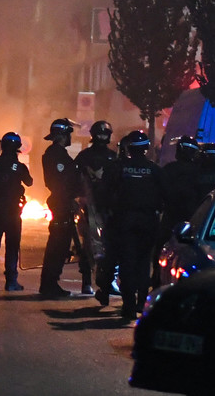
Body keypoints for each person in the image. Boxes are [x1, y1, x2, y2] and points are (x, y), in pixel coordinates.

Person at [108, 130, 168, 321]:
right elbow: (166, 196)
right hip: (148, 222)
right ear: (146, 149)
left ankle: (128, 307)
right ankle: (141, 303)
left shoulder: (118, 168)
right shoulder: (155, 170)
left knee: (127, 263)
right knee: (143, 263)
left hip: (124, 221)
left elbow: (105, 192)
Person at [0, 132, 33, 291]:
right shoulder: (20, 167)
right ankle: (11, 281)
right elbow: (29, 182)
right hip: (13, 212)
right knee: (12, 246)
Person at [74, 120, 118, 298]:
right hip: (89, 206)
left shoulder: (112, 157)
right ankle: (87, 280)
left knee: (108, 244)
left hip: (106, 207)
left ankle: (107, 280)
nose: (102, 137)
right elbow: (75, 178)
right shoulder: (85, 157)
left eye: (104, 134)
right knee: (88, 245)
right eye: (99, 134)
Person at [39, 118, 81, 298]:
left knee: (61, 245)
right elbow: (60, 182)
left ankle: (50, 283)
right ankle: (49, 284)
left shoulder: (57, 154)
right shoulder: (56, 155)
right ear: (63, 135)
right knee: (58, 245)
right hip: (61, 203)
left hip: (63, 202)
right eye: (69, 134)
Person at [153, 135, 201, 289]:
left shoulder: (169, 169)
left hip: (170, 218)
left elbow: (159, 193)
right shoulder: (199, 172)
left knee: (161, 250)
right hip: (193, 220)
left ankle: (156, 281)